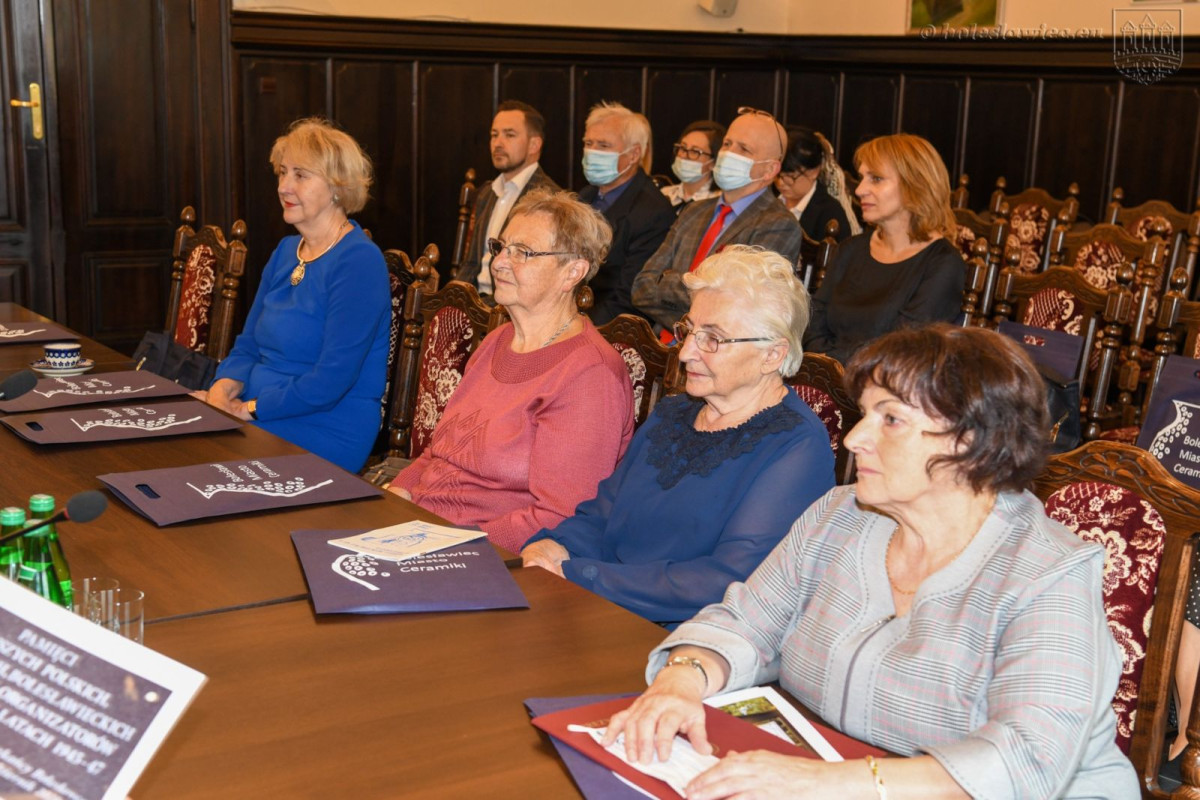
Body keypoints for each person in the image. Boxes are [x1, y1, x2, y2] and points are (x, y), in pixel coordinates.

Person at [603, 324, 1137, 800]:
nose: (856, 438)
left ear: (971, 443)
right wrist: (683, 679)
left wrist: (821, 783)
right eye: (864, 415)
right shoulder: (839, 516)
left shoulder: (1048, 573)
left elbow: (1028, 759)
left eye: (892, 420)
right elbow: (746, 621)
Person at [521, 246, 833, 626]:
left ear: (772, 355)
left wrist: (583, 575)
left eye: (713, 339)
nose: (685, 353)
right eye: (689, 331)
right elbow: (602, 514)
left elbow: (726, 581)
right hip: (599, 607)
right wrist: (555, 546)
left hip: (682, 640)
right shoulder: (675, 411)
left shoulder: (796, 447)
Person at [389, 189, 635, 553]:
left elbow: (559, 514)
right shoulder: (499, 339)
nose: (500, 262)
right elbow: (439, 452)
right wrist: (395, 496)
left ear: (572, 272)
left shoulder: (589, 375)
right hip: (421, 528)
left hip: (486, 554)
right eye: (501, 247)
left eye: (523, 252)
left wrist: (450, 544)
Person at [199, 117, 389, 473]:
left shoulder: (358, 261)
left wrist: (250, 408)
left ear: (337, 187)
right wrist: (222, 389)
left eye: (301, 175)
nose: (284, 187)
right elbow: (249, 344)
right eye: (282, 173)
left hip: (324, 426)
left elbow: (331, 381)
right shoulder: (287, 251)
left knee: (196, 462)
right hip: (260, 409)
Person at [632, 108, 803, 334]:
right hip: (658, 347)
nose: (728, 153)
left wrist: (669, 281)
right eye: (727, 144)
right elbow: (641, 288)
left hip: (717, 353)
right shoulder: (694, 211)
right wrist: (700, 289)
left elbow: (738, 308)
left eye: (743, 149)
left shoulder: (778, 224)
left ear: (770, 169)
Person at [803, 133, 964, 365]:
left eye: (876, 179)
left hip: (886, 391)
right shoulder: (851, 249)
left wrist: (832, 366)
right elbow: (814, 319)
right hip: (823, 380)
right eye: (862, 178)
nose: (859, 190)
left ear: (915, 186)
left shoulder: (943, 264)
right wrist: (826, 371)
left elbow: (902, 349)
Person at [577, 101, 675, 325]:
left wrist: (573, 330)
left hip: (608, 326)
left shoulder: (654, 212)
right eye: (588, 143)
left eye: (603, 145)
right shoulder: (585, 195)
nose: (592, 152)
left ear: (633, 155)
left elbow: (629, 297)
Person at [457, 100, 560, 295]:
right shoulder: (487, 193)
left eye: (509, 135)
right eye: (494, 135)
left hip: (512, 305)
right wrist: (453, 300)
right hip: (476, 303)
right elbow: (471, 263)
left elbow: (542, 276)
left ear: (534, 144)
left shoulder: (550, 199)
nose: (498, 143)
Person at [776, 125, 859, 242]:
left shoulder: (830, 213)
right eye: (778, 175)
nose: (780, 183)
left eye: (789, 177)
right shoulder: (769, 196)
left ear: (813, 172)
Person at [661, 120, 724, 208]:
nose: (684, 155)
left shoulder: (720, 202)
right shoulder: (663, 194)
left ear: (713, 162)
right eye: (683, 147)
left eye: (695, 151)